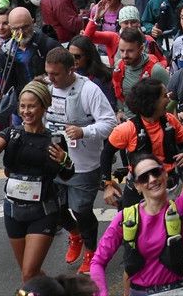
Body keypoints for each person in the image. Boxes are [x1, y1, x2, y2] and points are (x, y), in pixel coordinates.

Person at [89, 111, 183, 296]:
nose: (152, 179)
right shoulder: (126, 218)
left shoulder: (181, 209)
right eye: (143, 177)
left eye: (156, 172)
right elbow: (98, 262)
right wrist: (101, 293)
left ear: (164, 175)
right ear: (137, 186)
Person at [0, 80, 75, 283]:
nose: (26, 111)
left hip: (43, 211)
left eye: (31, 106)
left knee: (28, 273)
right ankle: (56, 289)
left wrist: (64, 160)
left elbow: (68, 175)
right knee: (29, 273)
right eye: (22, 106)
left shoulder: (55, 139)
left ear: (44, 106)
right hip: (13, 211)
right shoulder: (11, 133)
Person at [43, 47, 119, 276]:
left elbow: (110, 123)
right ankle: (74, 234)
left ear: (71, 70)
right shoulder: (46, 87)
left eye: (56, 74)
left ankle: (91, 250)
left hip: (83, 164)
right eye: (48, 73)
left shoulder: (89, 90)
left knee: (81, 209)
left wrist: (84, 131)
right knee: (53, 207)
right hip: (53, 160)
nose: (51, 79)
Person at [99, 78, 183, 209]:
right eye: (164, 96)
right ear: (152, 102)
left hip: (170, 189)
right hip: (138, 191)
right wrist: (107, 185)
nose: (169, 99)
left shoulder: (171, 121)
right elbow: (106, 154)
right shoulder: (127, 129)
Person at [111, 25, 171, 119]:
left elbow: (172, 98)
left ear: (141, 49)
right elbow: (119, 91)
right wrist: (120, 110)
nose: (125, 55)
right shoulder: (119, 66)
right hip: (127, 121)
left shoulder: (156, 70)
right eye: (122, 51)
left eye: (130, 51)